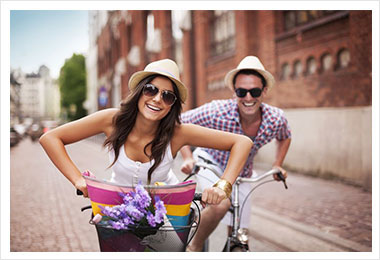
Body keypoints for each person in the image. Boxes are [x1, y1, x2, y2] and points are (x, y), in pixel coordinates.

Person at [39, 58, 253, 207]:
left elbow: (242, 142)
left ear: (173, 105)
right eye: (150, 90)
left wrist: (223, 186)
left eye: (167, 96)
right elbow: (50, 138)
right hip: (118, 206)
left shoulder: (178, 133)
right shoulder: (111, 120)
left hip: (167, 211)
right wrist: (78, 180)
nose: (157, 99)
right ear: (139, 92)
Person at [180, 56, 292, 251]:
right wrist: (188, 157)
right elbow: (179, 125)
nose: (248, 98)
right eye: (242, 91)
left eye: (255, 91)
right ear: (234, 92)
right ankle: (193, 247)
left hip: (242, 173)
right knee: (221, 203)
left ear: (264, 91)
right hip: (211, 164)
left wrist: (277, 164)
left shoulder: (276, 119)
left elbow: (285, 136)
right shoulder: (216, 111)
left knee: (240, 234)